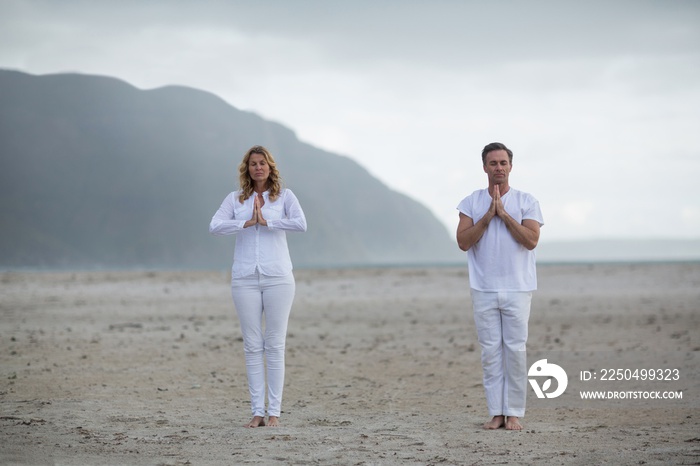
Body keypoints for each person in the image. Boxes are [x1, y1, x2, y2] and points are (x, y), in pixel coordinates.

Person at [209, 145, 307, 428]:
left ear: (270, 166)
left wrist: (268, 221)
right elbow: (214, 226)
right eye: (253, 163)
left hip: (278, 277)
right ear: (247, 169)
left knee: (275, 345)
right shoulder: (235, 199)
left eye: (262, 163)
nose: (258, 168)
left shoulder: (285, 197)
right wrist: (247, 221)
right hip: (244, 278)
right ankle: (256, 412)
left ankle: (273, 412)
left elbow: (301, 224)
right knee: (252, 346)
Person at [455, 142, 543, 431]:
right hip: (484, 288)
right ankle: (496, 412)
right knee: (491, 352)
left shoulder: (526, 201)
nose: (499, 168)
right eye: (493, 163)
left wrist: (504, 215)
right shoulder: (471, 201)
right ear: (484, 167)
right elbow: (463, 242)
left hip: (518, 288)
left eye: (503, 163)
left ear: (511, 167)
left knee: (515, 350)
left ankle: (514, 412)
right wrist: (488, 215)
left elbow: (531, 240)